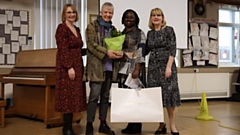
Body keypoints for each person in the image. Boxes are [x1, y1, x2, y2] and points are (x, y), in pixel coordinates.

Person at [85, 2, 123, 135]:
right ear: (101, 13)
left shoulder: (113, 29)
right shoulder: (92, 26)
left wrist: (120, 52)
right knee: (94, 97)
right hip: (96, 68)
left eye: (110, 13)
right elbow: (91, 44)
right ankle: (89, 124)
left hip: (109, 67)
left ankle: (102, 123)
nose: (108, 15)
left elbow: (116, 45)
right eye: (105, 12)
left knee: (105, 97)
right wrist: (106, 52)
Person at [146, 8, 181, 135]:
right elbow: (146, 50)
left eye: (158, 15)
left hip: (167, 67)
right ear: (150, 18)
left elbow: (172, 49)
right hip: (153, 69)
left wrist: (168, 67)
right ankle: (161, 125)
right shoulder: (149, 34)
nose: (156, 17)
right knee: (156, 98)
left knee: (169, 97)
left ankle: (172, 125)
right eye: (153, 15)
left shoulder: (169, 30)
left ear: (162, 17)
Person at [55, 4, 87, 135]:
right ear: (64, 14)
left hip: (78, 65)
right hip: (66, 67)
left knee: (74, 96)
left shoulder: (77, 29)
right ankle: (66, 128)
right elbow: (63, 49)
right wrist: (69, 67)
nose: (72, 15)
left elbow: (78, 49)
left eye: (73, 12)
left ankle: (70, 126)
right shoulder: (62, 28)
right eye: (69, 12)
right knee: (67, 96)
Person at [118, 9, 146, 134]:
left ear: (136, 20)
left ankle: (136, 126)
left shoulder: (140, 33)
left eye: (132, 17)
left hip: (135, 67)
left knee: (135, 98)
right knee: (126, 97)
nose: (128, 19)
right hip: (123, 68)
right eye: (126, 17)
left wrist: (137, 68)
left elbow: (141, 51)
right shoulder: (121, 33)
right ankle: (130, 124)